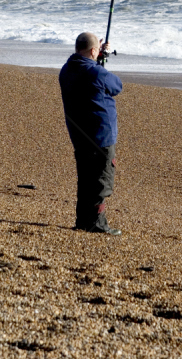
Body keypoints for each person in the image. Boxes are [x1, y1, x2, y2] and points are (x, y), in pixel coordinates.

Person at [59, 32, 122, 235]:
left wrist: (97, 59)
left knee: (86, 178)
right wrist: (98, 62)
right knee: (100, 180)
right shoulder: (97, 73)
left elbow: (90, 77)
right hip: (100, 135)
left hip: (79, 134)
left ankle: (82, 220)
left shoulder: (66, 70)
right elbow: (116, 86)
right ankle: (95, 222)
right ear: (93, 50)